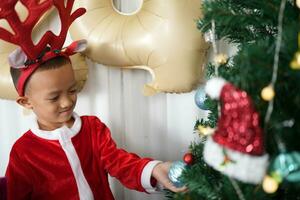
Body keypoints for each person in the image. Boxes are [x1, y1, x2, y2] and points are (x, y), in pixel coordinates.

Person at [5, 52, 186, 199]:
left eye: (72, 90)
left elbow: (120, 163)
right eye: (54, 98)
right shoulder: (23, 151)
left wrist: (153, 169)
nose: (67, 102)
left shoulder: (92, 128)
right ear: (26, 102)